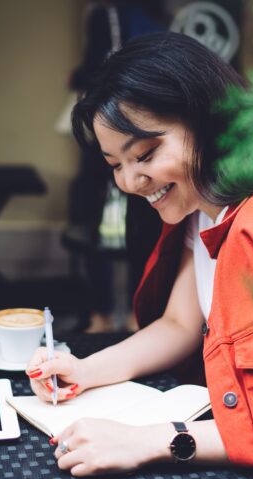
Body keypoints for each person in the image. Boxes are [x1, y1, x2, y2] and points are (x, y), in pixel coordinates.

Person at [28, 32, 253, 479]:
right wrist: (83, 371)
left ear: (208, 121)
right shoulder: (204, 211)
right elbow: (180, 325)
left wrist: (149, 441)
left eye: (144, 155)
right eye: (115, 164)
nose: (130, 181)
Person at [65, 0, 166, 333]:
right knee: (143, 223)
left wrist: (78, 76)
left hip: (113, 129)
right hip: (140, 132)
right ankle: (141, 314)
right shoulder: (158, 16)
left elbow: (105, 72)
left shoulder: (106, 15)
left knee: (99, 225)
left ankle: (103, 314)